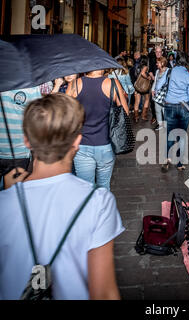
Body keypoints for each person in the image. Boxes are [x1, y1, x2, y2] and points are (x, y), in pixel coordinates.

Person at [0, 93, 124, 299]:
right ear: (77, 141)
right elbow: (103, 293)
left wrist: (10, 193)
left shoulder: (4, 204)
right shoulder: (98, 202)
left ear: (27, 141)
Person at [66, 69, 129, 190]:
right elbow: (125, 113)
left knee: (86, 189)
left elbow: (64, 115)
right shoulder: (113, 83)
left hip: (82, 145)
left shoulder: (75, 84)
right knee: (104, 187)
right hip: (106, 145)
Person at [161, 51, 189, 172]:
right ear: (187, 61)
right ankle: (179, 164)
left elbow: (159, 86)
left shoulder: (170, 71)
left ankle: (167, 158)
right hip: (184, 108)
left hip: (170, 106)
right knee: (181, 136)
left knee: (169, 134)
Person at [0, 86, 41, 189]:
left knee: (13, 198)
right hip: (19, 151)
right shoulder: (31, 86)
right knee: (13, 198)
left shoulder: (31, 87)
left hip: (18, 153)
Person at [152, 56, 170, 130]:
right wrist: (152, 90)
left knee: (164, 110)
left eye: (158, 63)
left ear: (162, 63)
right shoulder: (157, 71)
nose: (157, 64)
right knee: (157, 109)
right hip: (157, 93)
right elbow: (155, 82)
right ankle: (160, 125)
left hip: (166, 93)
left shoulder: (168, 71)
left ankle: (167, 125)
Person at [148, 46, 164, 128]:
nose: (158, 53)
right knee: (153, 101)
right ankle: (155, 117)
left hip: (163, 86)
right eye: (156, 52)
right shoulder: (152, 60)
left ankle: (163, 120)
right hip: (154, 83)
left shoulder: (165, 61)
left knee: (163, 103)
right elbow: (150, 71)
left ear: (162, 52)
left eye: (159, 52)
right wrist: (154, 78)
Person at [133, 55, 151, 123]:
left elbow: (136, 75)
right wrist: (147, 77)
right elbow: (143, 73)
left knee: (137, 102)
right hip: (144, 86)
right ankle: (143, 116)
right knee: (147, 100)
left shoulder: (137, 66)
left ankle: (136, 117)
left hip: (138, 86)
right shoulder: (145, 66)